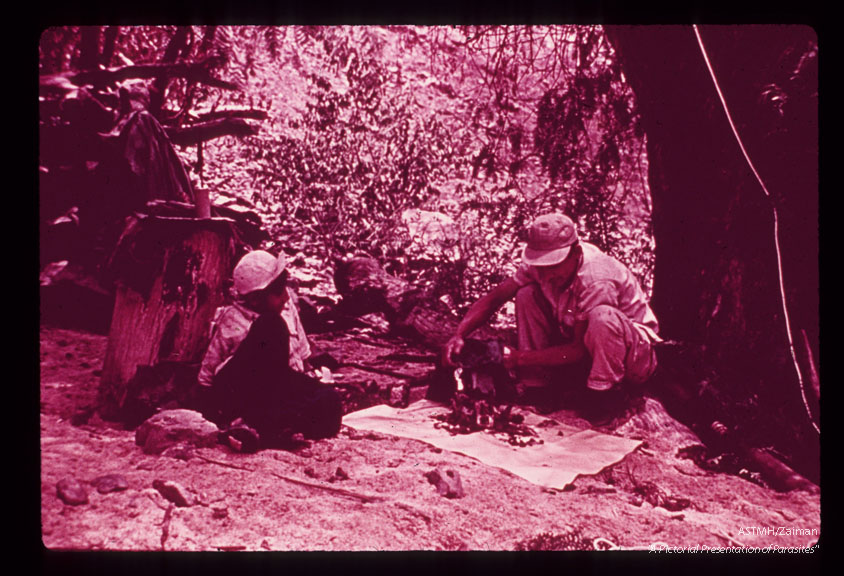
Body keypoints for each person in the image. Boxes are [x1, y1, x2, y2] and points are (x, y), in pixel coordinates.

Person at [443, 213, 660, 423]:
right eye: (543, 265)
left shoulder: (596, 278)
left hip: (634, 358)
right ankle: (538, 387)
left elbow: (578, 349)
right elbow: (496, 297)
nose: (547, 273)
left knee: (602, 317)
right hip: (582, 345)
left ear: (575, 253)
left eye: (554, 265)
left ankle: (603, 395)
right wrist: (459, 334)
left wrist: (518, 358)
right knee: (526, 294)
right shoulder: (542, 268)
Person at [197, 250, 342, 450]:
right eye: (278, 293)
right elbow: (207, 377)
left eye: (284, 290)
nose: (285, 298)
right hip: (245, 392)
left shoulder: (287, 307)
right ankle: (249, 427)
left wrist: (312, 389)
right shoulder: (232, 319)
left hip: (277, 390)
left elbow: (302, 360)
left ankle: (268, 432)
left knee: (330, 401)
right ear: (256, 299)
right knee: (272, 324)